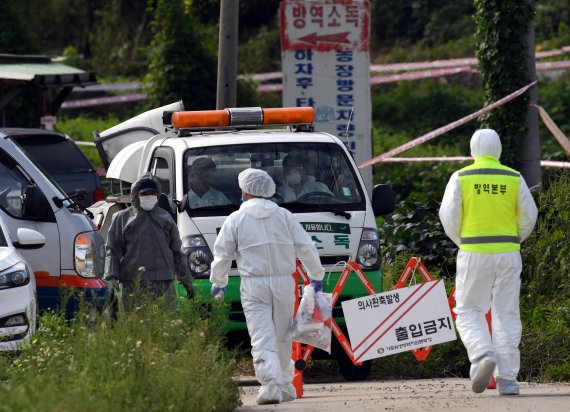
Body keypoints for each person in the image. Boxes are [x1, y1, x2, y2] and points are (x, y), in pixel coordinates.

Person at [210, 168, 325, 405]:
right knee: (283, 335)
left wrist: (218, 282)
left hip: (254, 285)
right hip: (284, 282)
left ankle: (271, 385)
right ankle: (284, 384)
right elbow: (306, 246)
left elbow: (222, 254)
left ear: (246, 192)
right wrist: (316, 275)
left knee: (261, 335)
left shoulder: (235, 219)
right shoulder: (284, 215)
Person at [439, 129, 538, 395]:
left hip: (473, 252)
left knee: (468, 309)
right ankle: (507, 380)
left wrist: (464, 241)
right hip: (508, 252)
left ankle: (483, 354)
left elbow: (448, 216)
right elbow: (529, 216)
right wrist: (514, 239)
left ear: (473, 150)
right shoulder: (513, 178)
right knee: (506, 313)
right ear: (499, 150)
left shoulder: (461, 177)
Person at [104, 173, 194, 311]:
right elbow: (113, 251)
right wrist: (111, 280)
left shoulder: (166, 218)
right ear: (136, 195)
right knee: (134, 325)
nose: (149, 196)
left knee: (165, 324)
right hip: (132, 284)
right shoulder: (122, 218)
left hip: (164, 284)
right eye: (145, 193)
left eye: (153, 193)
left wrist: (187, 281)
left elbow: (177, 252)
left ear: (158, 195)